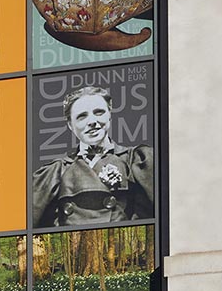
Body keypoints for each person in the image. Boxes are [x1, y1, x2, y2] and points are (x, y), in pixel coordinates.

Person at [29, 85, 156, 228]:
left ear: (109, 115)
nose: (92, 122)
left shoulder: (137, 160)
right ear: (70, 125)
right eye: (82, 116)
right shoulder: (55, 172)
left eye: (99, 112)